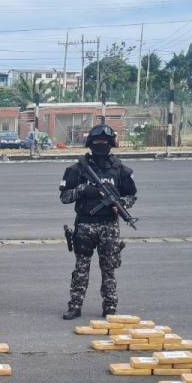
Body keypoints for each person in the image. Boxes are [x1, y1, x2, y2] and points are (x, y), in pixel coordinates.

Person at [58, 124, 137, 320]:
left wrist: (120, 204)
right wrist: (82, 190)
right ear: (90, 144)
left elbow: (132, 196)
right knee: (81, 268)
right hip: (85, 224)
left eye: (104, 142)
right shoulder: (76, 170)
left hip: (109, 226)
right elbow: (65, 197)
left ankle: (110, 307)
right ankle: (75, 306)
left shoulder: (121, 170)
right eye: (97, 142)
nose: (101, 145)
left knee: (109, 268)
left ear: (111, 144)